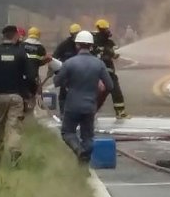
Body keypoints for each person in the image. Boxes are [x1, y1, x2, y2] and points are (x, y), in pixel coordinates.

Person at [0, 25, 36, 165]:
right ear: (15, 36)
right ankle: (14, 151)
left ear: (3, 36)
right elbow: (30, 76)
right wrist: (29, 93)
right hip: (16, 97)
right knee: (14, 126)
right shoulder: (21, 53)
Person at [54, 30, 113, 163]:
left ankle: (78, 150)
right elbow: (110, 86)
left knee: (67, 133)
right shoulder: (99, 64)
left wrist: (61, 75)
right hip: (90, 106)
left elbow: (57, 82)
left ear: (77, 45)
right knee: (88, 138)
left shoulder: (70, 63)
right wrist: (97, 96)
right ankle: (84, 163)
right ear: (91, 46)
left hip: (72, 105)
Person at [92, 19, 128, 119]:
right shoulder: (95, 41)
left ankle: (119, 111)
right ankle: (120, 112)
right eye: (105, 29)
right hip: (102, 71)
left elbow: (114, 54)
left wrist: (112, 54)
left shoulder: (107, 42)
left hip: (103, 71)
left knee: (111, 91)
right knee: (114, 90)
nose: (106, 31)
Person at [53, 23, 81, 116]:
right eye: (73, 34)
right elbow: (54, 58)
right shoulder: (64, 45)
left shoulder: (83, 44)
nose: (75, 36)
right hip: (67, 74)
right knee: (64, 93)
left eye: (76, 34)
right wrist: (58, 71)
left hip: (80, 73)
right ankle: (63, 113)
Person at [22, 27, 50, 114]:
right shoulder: (40, 48)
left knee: (22, 93)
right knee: (34, 94)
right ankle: (31, 112)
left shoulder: (21, 45)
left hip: (21, 75)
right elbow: (41, 61)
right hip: (33, 75)